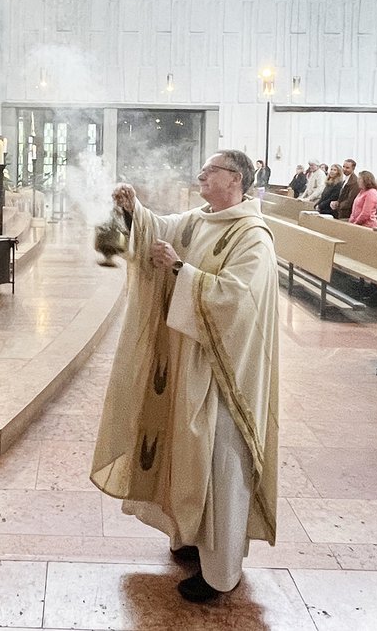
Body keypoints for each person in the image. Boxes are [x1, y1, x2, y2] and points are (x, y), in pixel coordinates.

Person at [93, 151, 279, 604]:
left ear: (235, 179)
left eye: (210, 170)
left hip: (223, 373)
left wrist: (179, 269)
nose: (200, 174)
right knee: (188, 453)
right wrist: (134, 212)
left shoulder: (252, 237)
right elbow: (163, 229)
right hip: (187, 362)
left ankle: (222, 574)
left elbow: (238, 301)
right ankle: (192, 538)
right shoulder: (202, 219)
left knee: (220, 465)